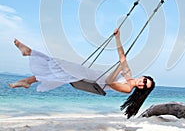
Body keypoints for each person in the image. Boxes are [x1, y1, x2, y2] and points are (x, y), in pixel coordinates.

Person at [9, 29, 155, 118]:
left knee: (61, 68)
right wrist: (118, 37)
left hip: (95, 81)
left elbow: (110, 82)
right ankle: (28, 69)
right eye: (144, 80)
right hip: (91, 73)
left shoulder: (128, 88)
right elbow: (122, 56)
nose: (141, 83)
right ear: (143, 77)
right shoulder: (129, 73)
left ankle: (29, 58)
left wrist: (118, 68)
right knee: (60, 68)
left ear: (141, 89)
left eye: (144, 86)